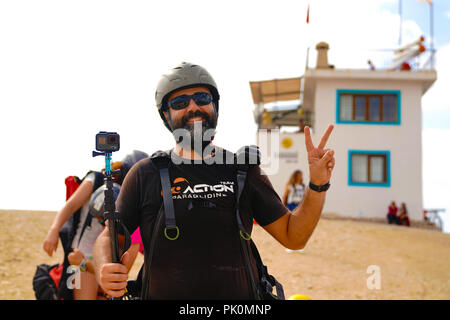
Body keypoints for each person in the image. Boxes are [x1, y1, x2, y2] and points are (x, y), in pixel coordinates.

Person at [93, 62, 336, 299]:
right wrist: (105, 267)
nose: (192, 108)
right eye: (179, 103)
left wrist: (317, 184)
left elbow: (293, 237)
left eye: (202, 98)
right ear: (166, 116)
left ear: (215, 107)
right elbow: (111, 236)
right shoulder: (145, 173)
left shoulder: (243, 169)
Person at [42, 150, 148, 300]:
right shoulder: (97, 179)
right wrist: (53, 230)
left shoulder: (134, 200)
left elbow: (133, 244)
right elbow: (71, 205)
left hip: (108, 256)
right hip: (81, 255)